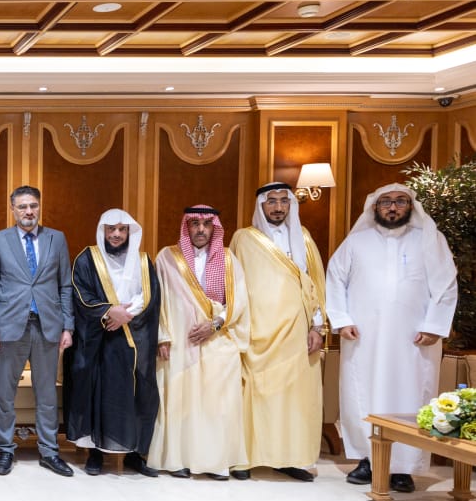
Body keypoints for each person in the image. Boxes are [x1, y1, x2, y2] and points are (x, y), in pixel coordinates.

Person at [326, 183, 458, 493]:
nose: (393, 207)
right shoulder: (356, 242)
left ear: (411, 207)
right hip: (364, 337)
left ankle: (404, 467)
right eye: (386, 202)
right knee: (361, 394)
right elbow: (335, 279)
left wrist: (434, 325)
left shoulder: (429, 240)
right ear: (375, 207)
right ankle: (366, 459)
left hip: (414, 339)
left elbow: (446, 285)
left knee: (410, 396)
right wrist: (342, 320)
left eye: (400, 201)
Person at [228, 182, 328, 481]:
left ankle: (290, 458)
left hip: (296, 332)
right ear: (261, 205)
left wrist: (317, 325)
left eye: (284, 201)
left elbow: (315, 283)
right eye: (271, 201)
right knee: (253, 393)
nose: (278, 207)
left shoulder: (304, 238)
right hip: (256, 331)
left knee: (293, 398)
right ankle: (245, 458)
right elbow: (233, 284)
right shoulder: (244, 238)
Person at [148, 206, 249, 479]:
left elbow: (239, 300)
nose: (201, 229)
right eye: (195, 224)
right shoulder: (168, 257)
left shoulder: (228, 259)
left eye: (206, 224)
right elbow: (159, 301)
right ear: (187, 227)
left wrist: (214, 324)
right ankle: (178, 459)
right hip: (180, 342)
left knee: (216, 404)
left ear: (215, 227)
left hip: (218, 340)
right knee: (181, 402)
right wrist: (162, 336)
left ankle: (215, 462)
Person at [0, 185, 74, 477]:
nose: (28, 211)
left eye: (33, 205)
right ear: (13, 208)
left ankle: (49, 451)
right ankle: (4, 449)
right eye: (22, 206)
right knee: (4, 393)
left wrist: (68, 325)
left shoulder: (56, 238)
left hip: (48, 325)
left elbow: (65, 285)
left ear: (39, 207)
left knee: (46, 393)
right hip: (10, 326)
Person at [68, 209, 162, 477]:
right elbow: (81, 295)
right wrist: (110, 311)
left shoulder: (143, 261)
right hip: (100, 340)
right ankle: (95, 453)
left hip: (134, 339)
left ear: (130, 232)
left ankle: (134, 453)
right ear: (103, 231)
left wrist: (126, 315)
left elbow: (151, 294)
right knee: (100, 395)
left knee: (136, 395)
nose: (117, 234)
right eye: (111, 229)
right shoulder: (87, 259)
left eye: (122, 229)